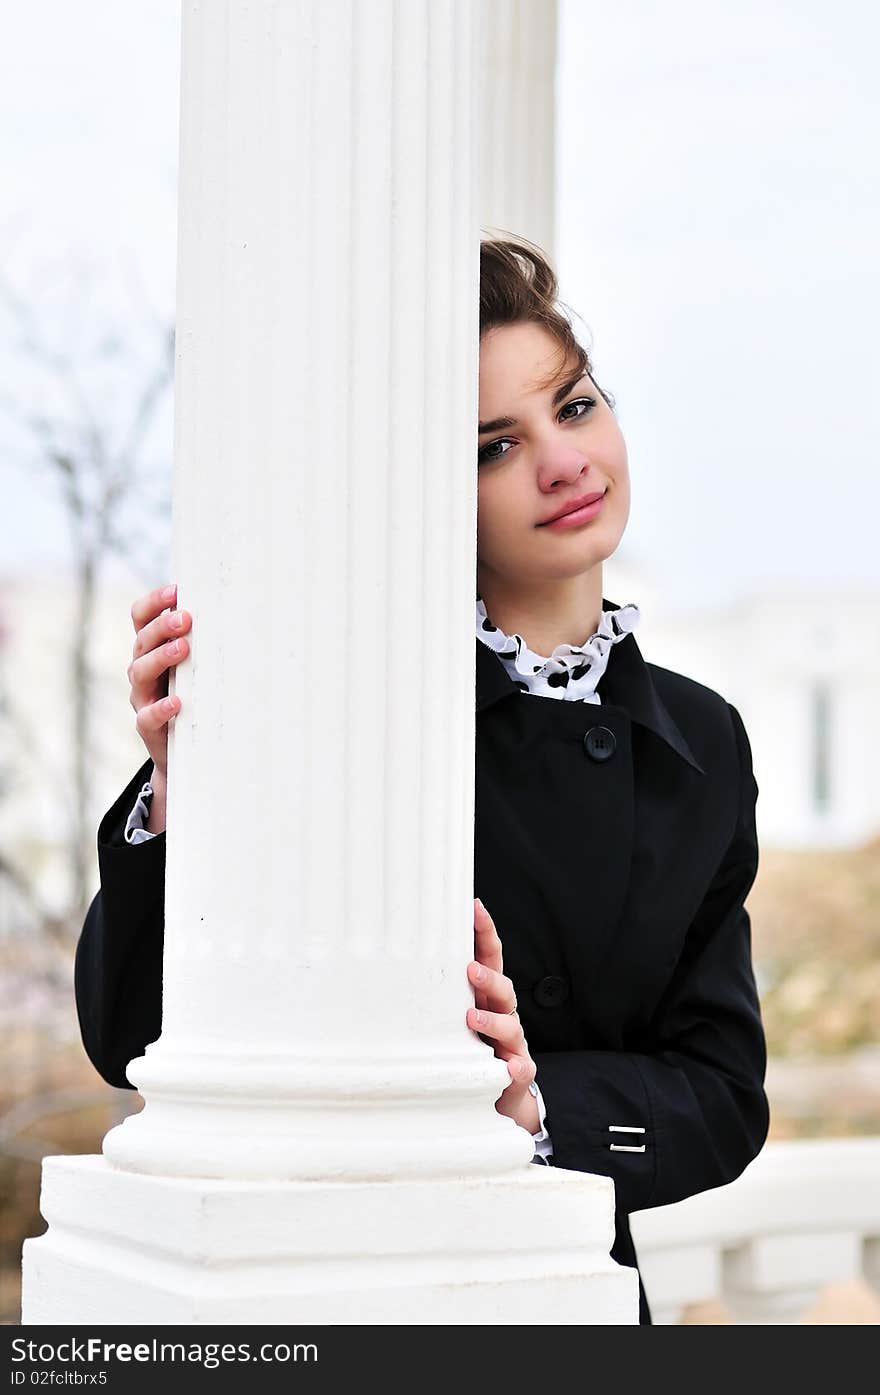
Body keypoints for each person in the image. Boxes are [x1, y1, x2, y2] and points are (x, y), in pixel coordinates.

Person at [75, 236, 769, 1326]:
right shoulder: (355, 713)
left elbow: (724, 1102)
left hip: (568, 1292)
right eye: (495, 446)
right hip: (352, 1294)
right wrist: (185, 786)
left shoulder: (702, 739)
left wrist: (541, 1101)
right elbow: (128, 1037)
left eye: (574, 406)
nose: (561, 462)